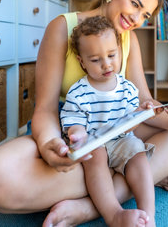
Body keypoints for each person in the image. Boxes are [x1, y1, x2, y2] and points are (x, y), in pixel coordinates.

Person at [0, 0, 168, 227]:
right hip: (73, 132)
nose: (136, 19)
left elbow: (144, 106)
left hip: (118, 129)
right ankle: (144, 174)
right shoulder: (63, 28)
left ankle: (93, 207)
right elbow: (45, 109)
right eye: (135, 4)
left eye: (145, 15)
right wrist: (49, 145)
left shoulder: (129, 40)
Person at [61, 15, 160, 226]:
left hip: (122, 139)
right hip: (95, 142)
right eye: (96, 60)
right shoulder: (78, 92)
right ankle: (113, 214)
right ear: (82, 62)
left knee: (138, 152)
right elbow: (73, 120)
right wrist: (77, 132)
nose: (106, 64)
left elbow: (130, 124)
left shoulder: (127, 88)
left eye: (112, 55)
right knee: (94, 155)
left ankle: (148, 215)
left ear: (120, 52)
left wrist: (140, 113)